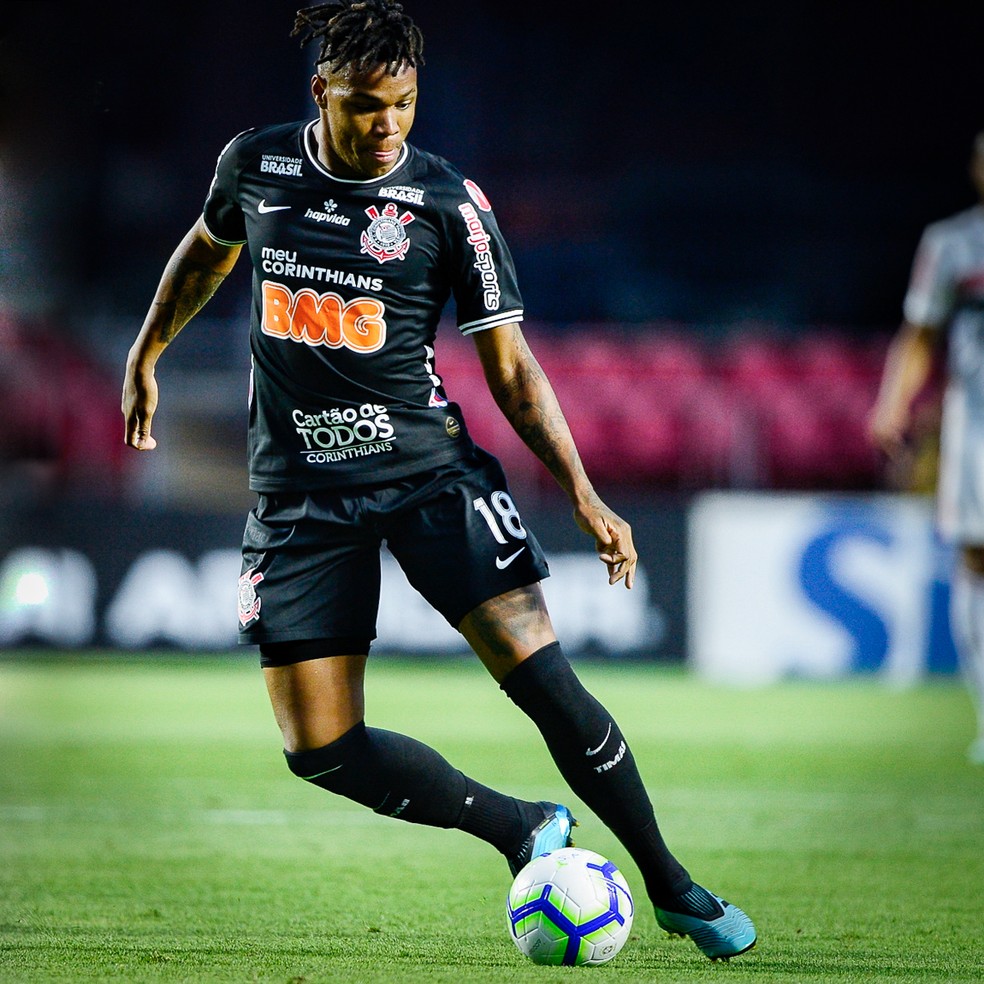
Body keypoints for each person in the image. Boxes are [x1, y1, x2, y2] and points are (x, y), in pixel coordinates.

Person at [121, 0, 756, 959]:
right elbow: (205, 253)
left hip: (428, 476)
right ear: (321, 93)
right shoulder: (256, 164)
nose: (388, 128)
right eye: (368, 106)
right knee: (320, 751)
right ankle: (517, 826)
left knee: (544, 682)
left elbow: (510, 368)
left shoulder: (446, 203)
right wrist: (147, 351)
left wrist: (583, 491)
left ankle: (675, 887)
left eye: (405, 105)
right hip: (298, 495)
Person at [869, 129, 984, 764]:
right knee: (976, 559)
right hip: (976, 422)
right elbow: (919, 332)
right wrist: (892, 402)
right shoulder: (952, 244)